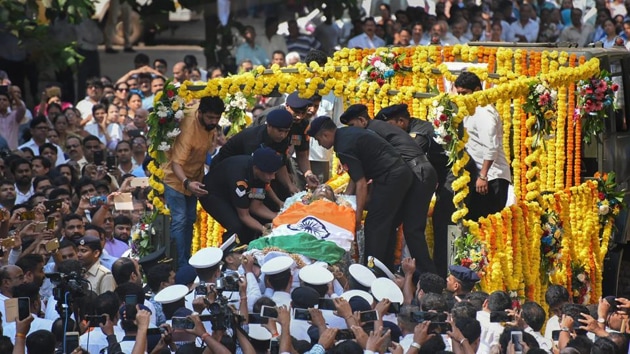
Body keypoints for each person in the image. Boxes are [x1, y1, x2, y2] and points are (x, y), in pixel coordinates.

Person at [307, 116, 414, 270]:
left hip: (391, 178)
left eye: (318, 140)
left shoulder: (343, 146)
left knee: (373, 225)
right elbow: (355, 174)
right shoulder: (346, 134)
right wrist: (346, 200)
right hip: (398, 174)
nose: (320, 144)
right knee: (386, 225)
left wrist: (356, 219)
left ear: (325, 135)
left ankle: (371, 272)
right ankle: (385, 269)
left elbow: (361, 184)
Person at [340, 104, 437, 274]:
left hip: (417, 172)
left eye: (352, 126)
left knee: (412, 229)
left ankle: (428, 278)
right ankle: (385, 270)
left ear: (362, 120)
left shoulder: (370, 132)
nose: (351, 131)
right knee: (389, 223)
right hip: (416, 172)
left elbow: (365, 170)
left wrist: (347, 197)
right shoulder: (374, 128)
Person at [375, 103, 452, 277]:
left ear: (401, 121)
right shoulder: (408, 129)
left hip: (450, 179)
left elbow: (409, 153)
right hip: (433, 178)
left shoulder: (420, 131)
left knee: (434, 226)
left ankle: (433, 275)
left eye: (388, 128)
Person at [162, 96, 225, 267]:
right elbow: (176, 164)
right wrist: (187, 183)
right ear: (200, 113)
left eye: (217, 118)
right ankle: (179, 263)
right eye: (210, 118)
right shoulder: (188, 129)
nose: (214, 122)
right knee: (181, 219)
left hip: (195, 176)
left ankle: (187, 259)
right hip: (176, 178)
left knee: (190, 218)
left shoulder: (205, 114)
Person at [454, 72, 511, 221]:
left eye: (464, 93)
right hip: (480, 177)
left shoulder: (484, 112)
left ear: (477, 90)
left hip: (491, 178)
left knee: (486, 227)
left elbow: (491, 147)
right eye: (458, 93)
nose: (461, 97)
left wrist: (483, 175)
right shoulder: (471, 110)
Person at [200, 147, 283, 243]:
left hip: (230, 190)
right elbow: (244, 216)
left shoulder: (261, 176)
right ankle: (228, 254)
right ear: (257, 168)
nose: (273, 177)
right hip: (213, 194)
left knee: (256, 222)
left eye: (274, 173)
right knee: (236, 225)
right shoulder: (240, 179)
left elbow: (256, 207)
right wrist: (265, 231)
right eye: (270, 173)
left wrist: (279, 217)